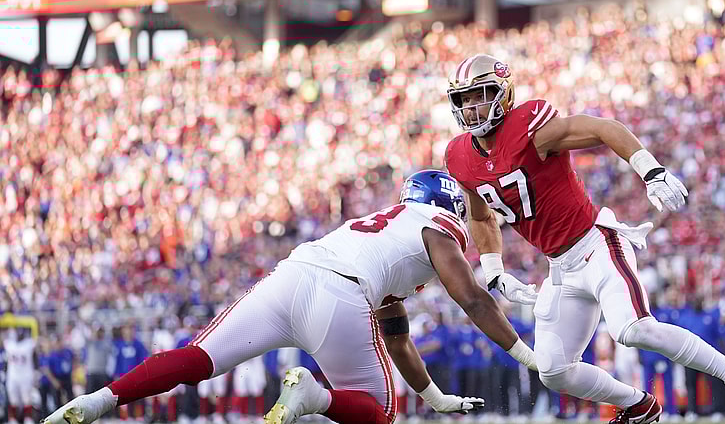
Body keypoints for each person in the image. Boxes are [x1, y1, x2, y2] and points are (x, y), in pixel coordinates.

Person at [42, 169, 537, 424]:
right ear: (449, 202)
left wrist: (436, 396)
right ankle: (314, 396)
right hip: (340, 293)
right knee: (379, 412)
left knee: (197, 358)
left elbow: (399, 336)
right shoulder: (437, 229)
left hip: (293, 273)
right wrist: (527, 356)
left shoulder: (383, 230)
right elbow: (472, 299)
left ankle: (100, 400)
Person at [442, 54, 725, 424]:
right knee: (552, 369)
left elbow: (603, 128)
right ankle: (638, 404)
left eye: (481, 94)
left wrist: (651, 170)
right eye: (465, 99)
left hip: (596, 243)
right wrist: (494, 270)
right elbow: (479, 213)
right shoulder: (459, 156)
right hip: (560, 267)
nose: (472, 107)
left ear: (504, 94)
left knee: (633, 329)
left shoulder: (530, 127)